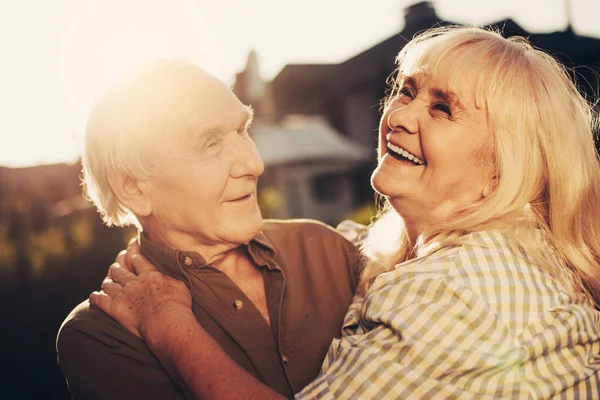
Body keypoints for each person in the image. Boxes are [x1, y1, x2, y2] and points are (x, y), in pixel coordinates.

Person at [92, 26, 600, 399]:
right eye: (407, 89)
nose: (399, 116)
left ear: (503, 168)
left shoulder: (463, 285)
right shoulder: (388, 251)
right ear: (134, 187)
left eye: (442, 108)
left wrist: (167, 323)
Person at [56, 60, 363, 399]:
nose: (254, 164)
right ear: (134, 188)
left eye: (243, 130)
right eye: (210, 144)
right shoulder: (102, 338)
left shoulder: (325, 248)